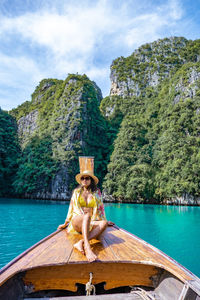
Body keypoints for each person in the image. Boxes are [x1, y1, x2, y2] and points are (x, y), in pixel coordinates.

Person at [58, 156, 114, 262]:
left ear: (91, 180)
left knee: (104, 223)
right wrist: (65, 224)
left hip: (91, 222)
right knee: (86, 216)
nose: (84, 180)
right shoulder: (76, 192)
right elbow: (71, 209)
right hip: (77, 221)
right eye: (82, 178)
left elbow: (101, 208)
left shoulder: (97, 192)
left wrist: (105, 220)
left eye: (87, 178)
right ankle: (87, 248)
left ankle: (81, 243)